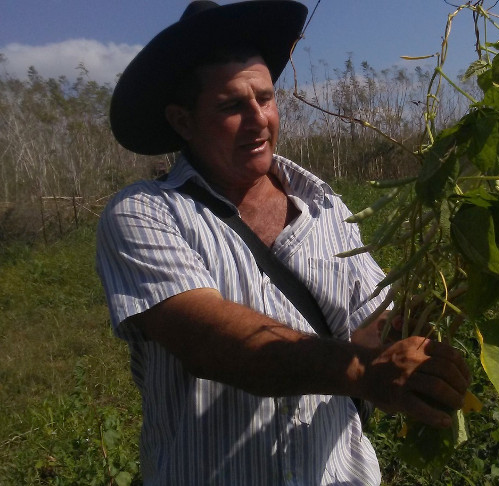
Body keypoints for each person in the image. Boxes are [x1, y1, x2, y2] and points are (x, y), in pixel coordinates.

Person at [97, 1, 470, 484]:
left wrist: (435, 307)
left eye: (265, 99)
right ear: (182, 121)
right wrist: (363, 371)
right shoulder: (144, 214)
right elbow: (210, 341)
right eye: (232, 106)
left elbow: (367, 329)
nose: (258, 120)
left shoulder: (324, 205)